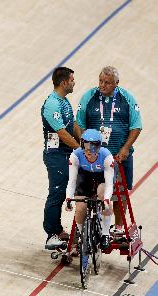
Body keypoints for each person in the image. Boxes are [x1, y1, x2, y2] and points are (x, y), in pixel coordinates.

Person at [74, 66, 142, 236]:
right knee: (86, 192)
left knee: (120, 193)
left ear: (116, 84)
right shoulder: (89, 96)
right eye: (100, 81)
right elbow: (78, 123)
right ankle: (82, 228)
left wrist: (125, 148)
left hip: (119, 156)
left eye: (107, 82)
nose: (102, 85)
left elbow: (136, 126)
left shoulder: (127, 98)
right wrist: (85, 146)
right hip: (94, 156)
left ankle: (118, 228)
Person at [41, 67, 80, 250]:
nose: (74, 82)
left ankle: (57, 228)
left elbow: (72, 127)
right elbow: (62, 133)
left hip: (66, 153)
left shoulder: (64, 101)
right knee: (56, 192)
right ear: (63, 82)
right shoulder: (52, 104)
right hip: (56, 154)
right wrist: (80, 149)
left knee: (67, 191)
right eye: (72, 79)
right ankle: (51, 234)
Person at [65, 129, 115, 250]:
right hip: (85, 176)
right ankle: (82, 234)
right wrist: (68, 199)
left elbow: (109, 184)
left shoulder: (107, 156)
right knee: (80, 208)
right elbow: (71, 182)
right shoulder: (75, 156)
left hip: (102, 177)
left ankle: (105, 233)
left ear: (99, 147)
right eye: (85, 146)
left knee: (104, 198)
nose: (88, 150)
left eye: (92, 147)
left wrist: (107, 200)